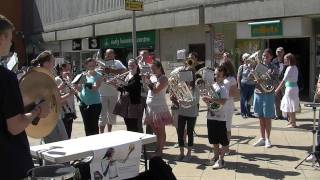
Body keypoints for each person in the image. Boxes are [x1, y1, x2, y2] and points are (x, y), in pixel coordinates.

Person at [0, 14, 50, 180]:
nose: (11, 43)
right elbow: (14, 126)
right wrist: (37, 111)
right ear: (1, 38)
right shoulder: (5, 78)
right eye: (10, 38)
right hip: (9, 164)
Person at [33, 50, 70, 144]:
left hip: (55, 113)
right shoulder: (40, 75)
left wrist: (60, 88)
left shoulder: (49, 74)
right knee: (52, 143)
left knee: (63, 140)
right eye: (53, 61)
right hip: (47, 114)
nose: (54, 63)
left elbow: (51, 92)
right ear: (45, 63)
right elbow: (44, 95)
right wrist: (66, 95)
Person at [144, 61, 173, 156]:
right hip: (150, 107)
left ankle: (160, 151)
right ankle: (157, 149)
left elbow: (156, 90)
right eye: (151, 69)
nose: (152, 71)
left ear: (159, 67)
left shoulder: (163, 78)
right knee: (155, 131)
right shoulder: (153, 77)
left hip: (159, 108)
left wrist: (148, 81)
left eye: (154, 69)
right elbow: (148, 89)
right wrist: (145, 80)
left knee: (160, 131)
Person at [170, 68, 199, 162]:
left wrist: (186, 102)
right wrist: (175, 98)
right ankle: (181, 153)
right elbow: (177, 99)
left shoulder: (195, 87)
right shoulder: (181, 86)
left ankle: (189, 153)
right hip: (182, 112)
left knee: (190, 133)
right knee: (180, 132)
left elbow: (196, 100)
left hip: (191, 113)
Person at [203, 66, 229, 169]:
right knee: (214, 140)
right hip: (211, 116)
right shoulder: (212, 86)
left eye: (218, 75)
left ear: (223, 77)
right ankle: (215, 157)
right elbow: (209, 102)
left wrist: (210, 98)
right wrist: (206, 100)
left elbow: (222, 101)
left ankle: (221, 160)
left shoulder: (223, 88)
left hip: (220, 118)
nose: (216, 76)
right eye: (215, 74)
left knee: (223, 140)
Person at [252, 48, 279, 148]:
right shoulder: (257, 66)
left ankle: (268, 139)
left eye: (267, 56)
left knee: (267, 117)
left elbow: (276, 81)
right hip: (258, 93)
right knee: (260, 117)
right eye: (263, 56)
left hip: (268, 94)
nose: (264, 57)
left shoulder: (274, 67)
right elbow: (250, 79)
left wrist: (266, 78)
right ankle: (262, 138)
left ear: (271, 57)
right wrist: (255, 80)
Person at [99, 49, 127, 133]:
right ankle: (101, 133)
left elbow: (124, 71)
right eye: (108, 54)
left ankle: (109, 132)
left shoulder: (117, 62)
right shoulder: (100, 63)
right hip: (102, 93)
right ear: (105, 55)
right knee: (102, 114)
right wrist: (101, 71)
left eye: (111, 54)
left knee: (112, 114)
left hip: (113, 92)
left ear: (114, 55)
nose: (110, 56)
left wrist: (111, 70)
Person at [113, 59, 143, 132]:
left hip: (133, 103)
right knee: (128, 124)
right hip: (125, 102)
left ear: (137, 65)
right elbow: (124, 89)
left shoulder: (138, 76)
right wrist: (116, 85)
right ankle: (131, 142)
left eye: (133, 65)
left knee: (133, 125)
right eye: (129, 65)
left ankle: (135, 142)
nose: (131, 66)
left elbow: (130, 88)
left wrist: (119, 81)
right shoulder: (127, 75)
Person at [79, 58, 103, 136]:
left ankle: (96, 145)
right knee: (87, 126)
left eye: (93, 65)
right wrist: (74, 83)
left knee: (94, 126)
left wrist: (86, 82)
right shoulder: (82, 75)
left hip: (95, 104)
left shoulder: (99, 75)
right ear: (86, 66)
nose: (92, 67)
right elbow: (79, 89)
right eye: (90, 65)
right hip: (83, 103)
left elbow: (95, 88)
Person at [275, 53, 300, 128]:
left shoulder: (289, 68)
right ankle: (291, 121)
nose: (284, 60)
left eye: (286, 59)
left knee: (290, 106)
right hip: (294, 88)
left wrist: (277, 89)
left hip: (290, 89)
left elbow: (283, 80)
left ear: (289, 60)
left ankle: (293, 123)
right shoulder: (295, 67)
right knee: (291, 105)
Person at [56, 60, 77, 138]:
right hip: (63, 111)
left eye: (70, 69)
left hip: (70, 110)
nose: (69, 71)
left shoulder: (69, 79)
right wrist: (69, 92)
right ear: (61, 69)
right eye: (66, 69)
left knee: (69, 134)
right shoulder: (58, 80)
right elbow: (57, 95)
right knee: (64, 136)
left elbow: (72, 96)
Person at [221, 60, 238, 155]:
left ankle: (226, 148)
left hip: (228, 105)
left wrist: (222, 93)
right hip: (221, 104)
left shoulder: (232, 79)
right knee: (221, 127)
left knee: (227, 127)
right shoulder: (221, 78)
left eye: (222, 67)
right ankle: (223, 146)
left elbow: (234, 93)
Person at [237, 53, 255, 118]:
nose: (248, 59)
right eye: (246, 58)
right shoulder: (241, 67)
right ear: (244, 59)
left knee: (250, 99)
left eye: (249, 58)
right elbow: (238, 77)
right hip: (244, 85)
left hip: (252, 85)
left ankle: (248, 112)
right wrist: (238, 85)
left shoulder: (252, 66)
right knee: (243, 99)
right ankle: (243, 113)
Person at [272, 47, 286, 120]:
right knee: (276, 99)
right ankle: (278, 115)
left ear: (283, 52)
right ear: (276, 53)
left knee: (285, 98)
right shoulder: (274, 61)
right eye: (278, 51)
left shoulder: (286, 60)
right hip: (276, 81)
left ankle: (287, 115)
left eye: (280, 51)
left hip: (284, 81)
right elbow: (271, 70)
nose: (279, 53)